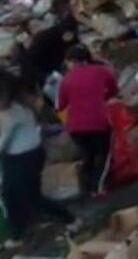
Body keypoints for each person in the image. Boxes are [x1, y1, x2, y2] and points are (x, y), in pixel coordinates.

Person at [0, 71, 77, 251]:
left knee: (31, 197)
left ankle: (70, 219)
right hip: (19, 155)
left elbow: (3, 141)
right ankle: (19, 232)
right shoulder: (20, 104)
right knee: (10, 195)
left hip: (25, 157)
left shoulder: (13, 112)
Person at [58, 46, 118, 198]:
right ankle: (99, 188)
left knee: (88, 156)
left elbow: (60, 105)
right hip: (98, 121)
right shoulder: (101, 71)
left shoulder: (66, 80)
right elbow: (113, 89)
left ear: (71, 61)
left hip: (76, 127)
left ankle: (87, 188)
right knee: (105, 155)